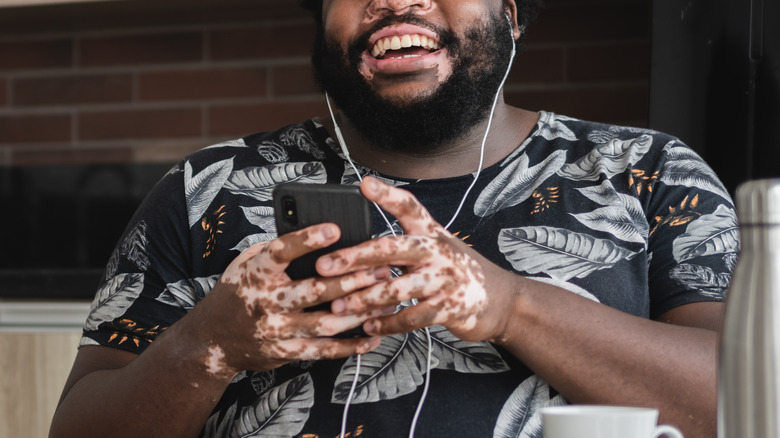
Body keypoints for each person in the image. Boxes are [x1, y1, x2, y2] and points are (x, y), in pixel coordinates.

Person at [49, 0, 739, 437]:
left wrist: (510, 306)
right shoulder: (208, 187)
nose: (393, 2)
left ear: (512, 11)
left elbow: (745, 404)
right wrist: (213, 344)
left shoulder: (645, 171)